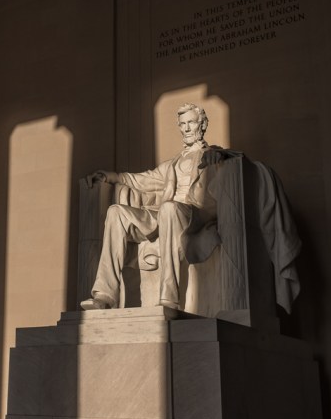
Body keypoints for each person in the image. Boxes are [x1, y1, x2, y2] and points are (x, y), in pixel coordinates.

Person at [81, 103, 233, 310]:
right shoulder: (172, 164)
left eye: (191, 122)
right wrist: (112, 176)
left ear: (202, 124)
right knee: (116, 212)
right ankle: (105, 295)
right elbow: (144, 179)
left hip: (196, 214)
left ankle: (169, 297)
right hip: (166, 212)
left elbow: (237, 163)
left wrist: (221, 157)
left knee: (169, 208)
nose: (186, 128)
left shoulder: (215, 156)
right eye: (182, 124)